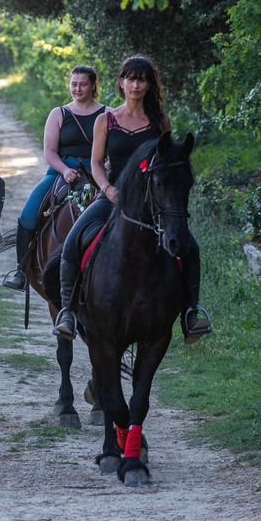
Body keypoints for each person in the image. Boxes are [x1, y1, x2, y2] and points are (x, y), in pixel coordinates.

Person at [53, 55, 212, 343]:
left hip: (151, 204)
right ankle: (68, 310)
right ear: (121, 83)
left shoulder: (159, 121)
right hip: (113, 196)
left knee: (191, 247)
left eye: (141, 79)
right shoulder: (106, 120)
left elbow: (166, 162)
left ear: (149, 85)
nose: (135, 85)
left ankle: (191, 313)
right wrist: (107, 189)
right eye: (130, 78)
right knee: (73, 241)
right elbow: (97, 163)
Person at [3, 66, 105, 290]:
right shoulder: (59, 113)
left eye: (83, 84)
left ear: (93, 86)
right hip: (61, 170)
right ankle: (21, 271)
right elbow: (49, 151)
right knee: (28, 214)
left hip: (97, 172)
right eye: (73, 84)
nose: (77, 89)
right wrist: (64, 170)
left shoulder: (107, 114)